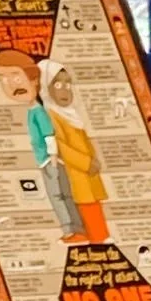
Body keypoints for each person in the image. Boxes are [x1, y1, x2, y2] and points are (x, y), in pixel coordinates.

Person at [0, 48, 82, 243]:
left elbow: (48, 135)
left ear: (35, 80)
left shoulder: (39, 112)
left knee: (58, 195)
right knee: (61, 194)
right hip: (46, 160)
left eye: (15, 75)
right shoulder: (33, 111)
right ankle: (75, 229)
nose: (11, 84)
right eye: (3, 78)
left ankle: (71, 231)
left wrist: (53, 158)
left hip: (50, 160)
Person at [42, 61, 111, 245]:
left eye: (68, 84)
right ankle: (96, 239)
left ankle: (101, 238)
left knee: (94, 208)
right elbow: (62, 147)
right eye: (57, 85)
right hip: (75, 174)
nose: (65, 90)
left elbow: (84, 142)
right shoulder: (52, 116)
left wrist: (94, 161)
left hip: (88, 174)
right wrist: (86, 163)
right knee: (84, 208)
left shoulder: (71, 115)